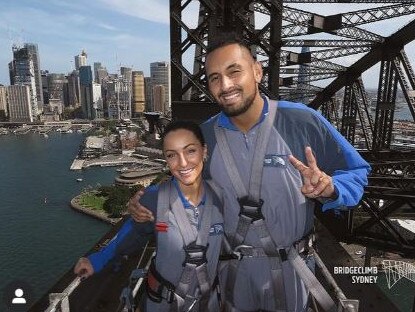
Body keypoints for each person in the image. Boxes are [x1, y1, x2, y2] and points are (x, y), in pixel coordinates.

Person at [128, 37, 371, 312]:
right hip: (232, 275)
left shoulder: (302, 121)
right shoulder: (203, 137)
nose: (226, 86)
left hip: (293, 271)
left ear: (257, 71)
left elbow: (357, 171)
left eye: (234, 72)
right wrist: (143, 204)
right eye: (214, 78)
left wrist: (332, 188)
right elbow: (183, 188)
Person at [74, 120, 224, 312]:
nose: (183, 162)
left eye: (190, 151)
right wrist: (97, 260)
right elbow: (131, 234)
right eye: (172, 155)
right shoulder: (154, 198)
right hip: (162, 304)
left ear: (204, 151)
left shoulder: (223, 198)